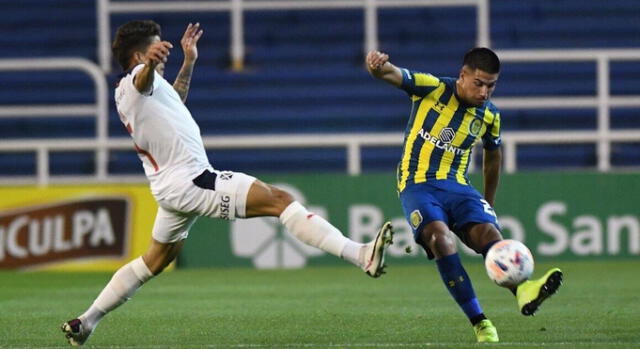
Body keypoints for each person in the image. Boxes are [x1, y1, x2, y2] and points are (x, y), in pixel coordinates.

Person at [61, 20, 394, 346]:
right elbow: (143, 79)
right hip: (191, 180)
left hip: (170, 188)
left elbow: (173, 99)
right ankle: (360, 254)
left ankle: (86, 321)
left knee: (153, 261)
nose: (162, 54)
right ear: (138, 57)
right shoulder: (136, 78)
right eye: (156, 49)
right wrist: (148, 64)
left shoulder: (137, 92)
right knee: (279, 200)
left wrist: (188, 62)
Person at [365, 48, 563, 343]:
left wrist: (489, 203)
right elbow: (389, 73)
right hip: (417, 185)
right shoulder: (432, 88)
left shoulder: (491, 116)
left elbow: (493, 159)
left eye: (491, 85)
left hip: (458, 186)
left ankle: (524, 291)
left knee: (488, 234)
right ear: (463, 76)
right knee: (440, 239)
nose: (485, 92)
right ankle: (480, 321)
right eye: (479, 83)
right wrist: (376, 66)